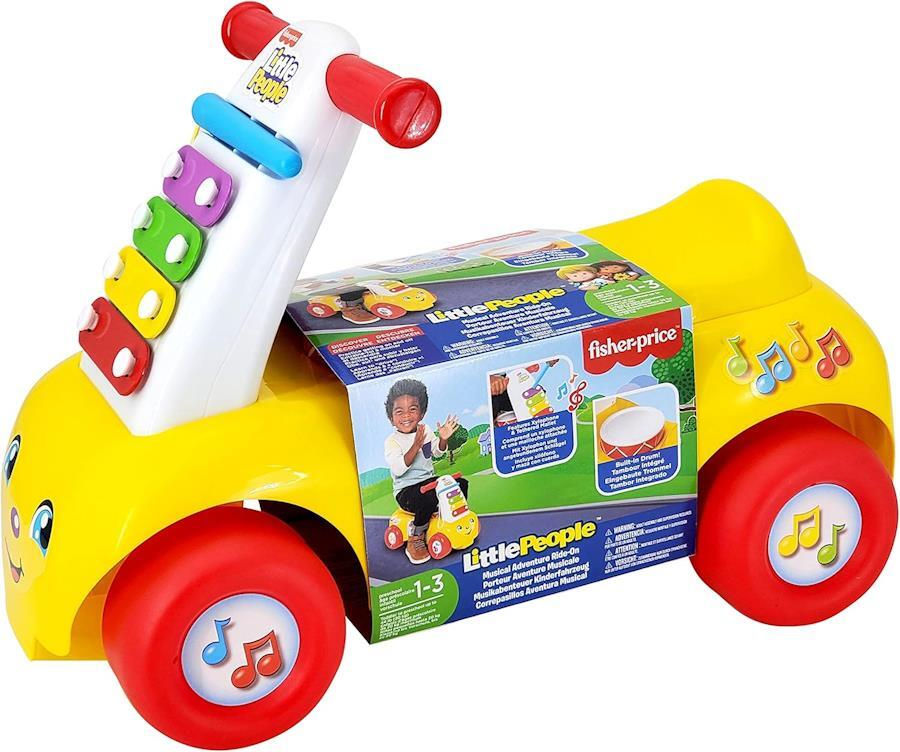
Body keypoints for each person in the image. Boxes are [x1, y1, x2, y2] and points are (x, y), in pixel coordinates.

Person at [383, 379, 467, 564]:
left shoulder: (425, 430)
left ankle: (453, 518)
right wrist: (416, 445)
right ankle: (416, 536)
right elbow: (399, 469)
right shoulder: (392, 442)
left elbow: (435, 453)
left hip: (429, 482)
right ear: (391, 417)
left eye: (412, 409)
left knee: (460, 484)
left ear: (422, 413)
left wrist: (443, 439)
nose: (406, 416)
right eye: (399, 411)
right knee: (428, 497)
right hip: (407, 491)